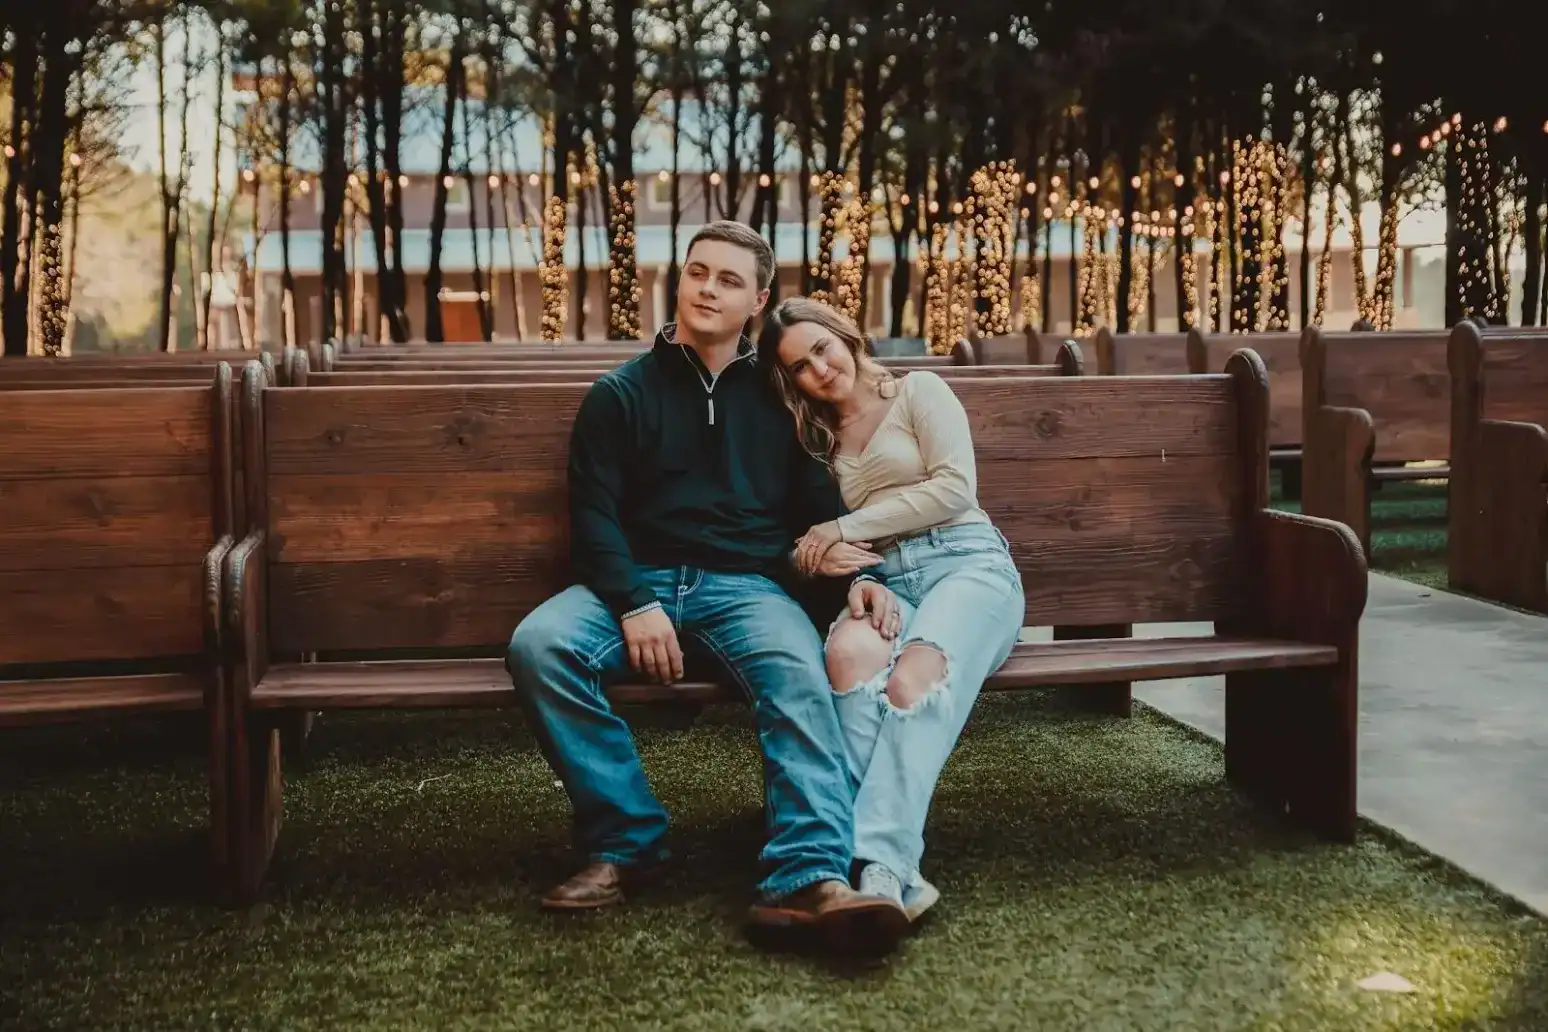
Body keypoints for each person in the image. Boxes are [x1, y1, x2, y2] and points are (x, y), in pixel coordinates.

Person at [505, 221, 911, 949]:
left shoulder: (779, 400)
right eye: (698, 272)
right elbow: (593, 520)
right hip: (634, 581)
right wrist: (635, 603)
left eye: (728, 280)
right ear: (680, 280)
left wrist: (865, 575)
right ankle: (626, 842)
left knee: (796, 669)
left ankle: (809, 873)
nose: (707, 289)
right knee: (539, 646)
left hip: (745, 588)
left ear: (756, 299)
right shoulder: (620, 395)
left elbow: (819, 511)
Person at [760, 297, 1026, 928]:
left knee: (912, 683)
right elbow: (811, 543)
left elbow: (954, 487)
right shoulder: (816, 438)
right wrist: (856, 572)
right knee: (848, 657)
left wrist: (841, 526)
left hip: (968, 564)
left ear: (844, 334)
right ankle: (837, 862)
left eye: (821, 348)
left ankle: (881, 866)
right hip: (888, 582)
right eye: (800, 366)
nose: (820, 370)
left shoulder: (920, 391)